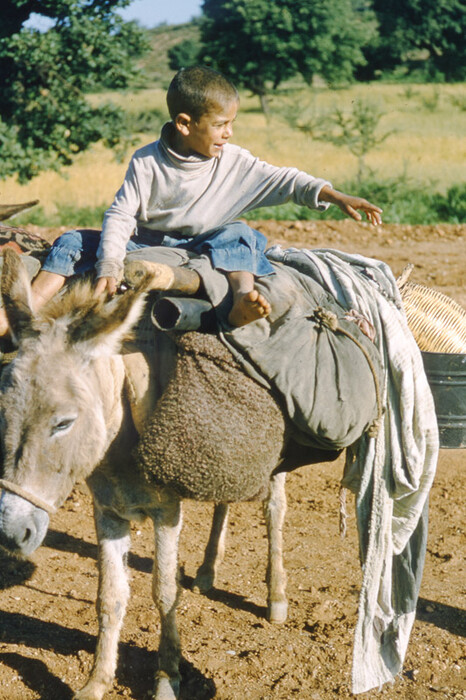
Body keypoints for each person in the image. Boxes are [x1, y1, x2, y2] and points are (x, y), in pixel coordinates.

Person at [0, 66, 382, 334]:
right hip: (145, 241)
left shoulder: (234, 161)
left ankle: (240, 300)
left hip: (203, 244)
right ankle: (23, 309)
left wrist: (333, 194)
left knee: (239, 233)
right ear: (185, 124)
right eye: (220, 125)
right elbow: (120, 215)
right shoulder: (147, 160)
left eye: (232, 124)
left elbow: (285, 179)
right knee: (71, 241)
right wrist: (110, 265)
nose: (228, 134)